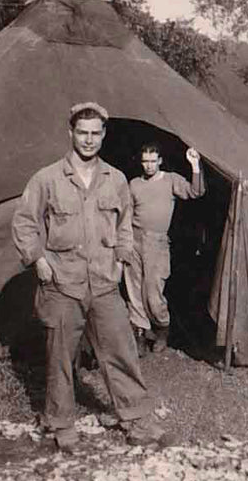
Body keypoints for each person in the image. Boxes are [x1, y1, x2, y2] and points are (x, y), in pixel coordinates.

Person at [11, 102, 167, 451]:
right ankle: (61, 423)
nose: (89, 140)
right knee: (60, 357)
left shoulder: (116, 179)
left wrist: (122, 257)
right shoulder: (47, 178)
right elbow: (24, 222)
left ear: (104, 136)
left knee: (121, 349)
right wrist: (37, 260)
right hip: (62, 283)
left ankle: (137, 418)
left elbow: (125, 223)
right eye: (83, 132)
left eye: (96, 133)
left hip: (104, 282)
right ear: (71, 134)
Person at [126, 142, 205, 354]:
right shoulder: (134, 184)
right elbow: (126, 215)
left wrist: (195, 165)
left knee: (153, 292)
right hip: (134, 240)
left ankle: (162, 329)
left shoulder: (171, 180)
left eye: (153, 161)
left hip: (157, 243)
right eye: (145, 161)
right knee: (134, 291)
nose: (149, 166)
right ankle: (140, 336)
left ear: (160, 161)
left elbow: (196, 192)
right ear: (141, 162)